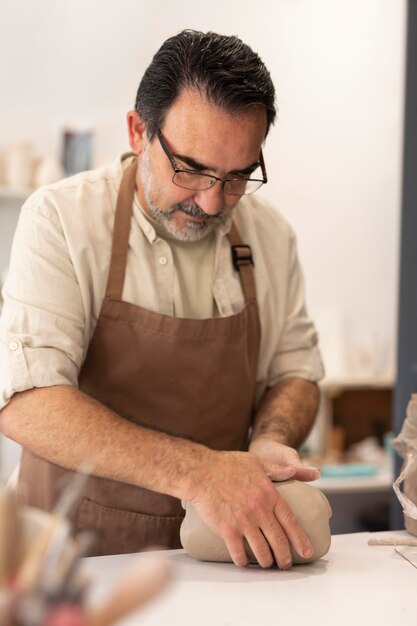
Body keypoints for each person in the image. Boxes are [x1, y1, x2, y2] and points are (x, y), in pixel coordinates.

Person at [0, 30, 324, 567]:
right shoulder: (61, 218)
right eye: (191, 169)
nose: (213, 200)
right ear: (138, 132)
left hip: (219, 560)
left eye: (238, 175)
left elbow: (297, 372)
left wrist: (270, 437)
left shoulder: (270, 236)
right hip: (68, 563)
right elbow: (26, 402)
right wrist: (199, 473)